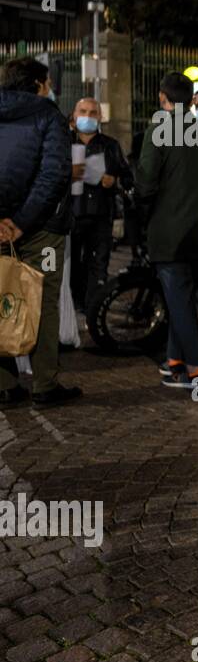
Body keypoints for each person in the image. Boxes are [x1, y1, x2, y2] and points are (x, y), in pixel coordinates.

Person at [0, 56, 81, 407]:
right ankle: (44, 383)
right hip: (42, 229)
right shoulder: (48, 115)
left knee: (1, 296)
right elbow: (53, 175)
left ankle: (4, 383)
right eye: (47, 82)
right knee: (44, 299)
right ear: (37, 84)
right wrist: (21, 222)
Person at [135, 72, 198, 388]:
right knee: (183, 299)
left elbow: (146, 182)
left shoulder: (160, 128)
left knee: (179, 301)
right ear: (192, 100)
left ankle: (195, 370)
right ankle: (174, 360)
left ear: (163, 98)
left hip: (168, 230)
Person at [67, 97, 129, 313]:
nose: (88, 116)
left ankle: (93, 310)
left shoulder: (111, 146)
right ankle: (75, 306)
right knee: (73, 264)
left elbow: (127, 177)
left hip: (101, 216)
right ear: (74, 115)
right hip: (71, 215)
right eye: (83, 111)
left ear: (100, 117)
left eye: (93, 112)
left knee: (98, 265)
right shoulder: (63, 143)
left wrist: (114, 181)